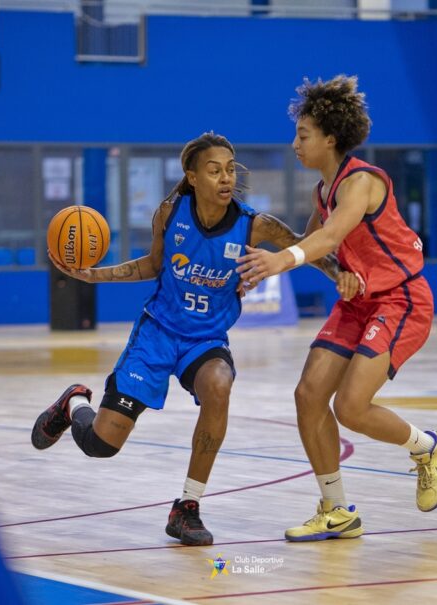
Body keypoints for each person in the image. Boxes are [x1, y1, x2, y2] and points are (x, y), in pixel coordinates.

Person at [31, 132, 360, 546]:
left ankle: (187, 506)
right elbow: (153, 265)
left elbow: (304, 248)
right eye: (214, 170)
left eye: (230, 170)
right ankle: (73, 403)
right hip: (157, 334)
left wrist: (340, 274)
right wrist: (94, 275)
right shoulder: (169, 214)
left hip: (205, 341)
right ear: (192, 176)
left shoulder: (253, 224)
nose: (225, 178)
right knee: (101, 445)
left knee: (219, 384)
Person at [236, 76, 437, 542]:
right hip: (358, 303)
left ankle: (427, 447)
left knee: (350, 407)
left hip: (401, 300)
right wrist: (337, 274)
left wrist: (281, 262)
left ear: (330, 138)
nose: (295, 143)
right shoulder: (323, 192)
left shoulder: (362, 182)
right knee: (308, 395)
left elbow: (327, 239)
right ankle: (337, 510)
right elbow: (315, 246)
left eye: (303, 134)